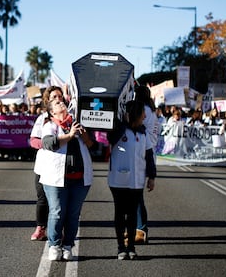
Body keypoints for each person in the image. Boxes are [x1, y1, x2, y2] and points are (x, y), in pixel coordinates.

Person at [34, 97, 96, 261]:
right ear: (52, 111)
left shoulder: (78, 123)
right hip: (55, 178)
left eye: (61, 101)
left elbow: (92, 145)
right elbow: (48, 143)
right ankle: (54, 245)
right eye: (56, 103)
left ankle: (68, 245)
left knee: (73, 214)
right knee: (57, 212)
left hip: (80, 178)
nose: (60, 103)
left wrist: (84, 136)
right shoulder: (50, 125)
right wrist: (69, 135)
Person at [107, 100, 156, 260]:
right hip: (118, 180)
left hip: (137, 181)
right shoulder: (119, 130)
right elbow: (110, 137)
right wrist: (122, 122)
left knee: (133, 215)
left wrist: (152, 177)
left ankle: (131, 247)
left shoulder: (142, 133)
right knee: (120, 214)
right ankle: (121, 247)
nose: (145, 116)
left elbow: (149, 155)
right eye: (142, 112)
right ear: (135, 113)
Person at [29, 86, 64, 241]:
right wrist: (49, 143)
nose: (58, 99)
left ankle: (58, 231)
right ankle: (40, 227)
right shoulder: (42, 118)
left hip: (61, 166)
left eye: (60, 96)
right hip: (44, 165)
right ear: (48, 100)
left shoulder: (69, 118)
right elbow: (33, 140)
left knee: (60, 201)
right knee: (42, 198)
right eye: (54, 96)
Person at [134, 85, 159, 244]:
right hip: (146, 152)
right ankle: (138, 228)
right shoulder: (151, 110)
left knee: (135, 196)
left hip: (143, 153)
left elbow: (137, 126)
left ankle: (141, 229)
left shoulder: (143, 110)